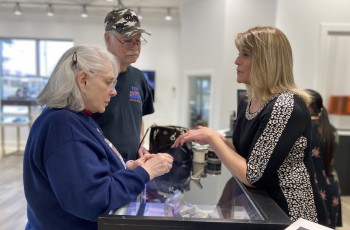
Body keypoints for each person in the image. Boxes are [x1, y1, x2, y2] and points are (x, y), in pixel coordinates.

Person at [173, 26, 328, 225]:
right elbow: (243, 151)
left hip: (291, 215)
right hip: (263, 207)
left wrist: (213, 138)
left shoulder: (285, 106)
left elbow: (253, 175)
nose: (237, 61)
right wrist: (211, 138)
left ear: (267, 61)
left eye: (245, 55)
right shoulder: (249, 101)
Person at [23, 45, 173, 230]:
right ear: (83, 80)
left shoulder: (77, 118)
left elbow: (88, 174)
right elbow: (92, 199)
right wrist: (145, 172)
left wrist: (129, 168)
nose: (114, 91)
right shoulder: (64, 126)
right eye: (108, 82)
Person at [92, 8, 154, 161]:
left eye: (138, 41)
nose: (134, 47)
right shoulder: (92, 77)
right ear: (107, 38)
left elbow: (138, 118)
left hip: (132, 165)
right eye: (127, 40)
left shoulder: (139, 78)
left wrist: (140, 144)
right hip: (100, 164)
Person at [306, 89, 342, 229]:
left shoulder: (302, 128)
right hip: (331, 186)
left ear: (308, 105)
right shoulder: (332, 130)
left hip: (312, 189)